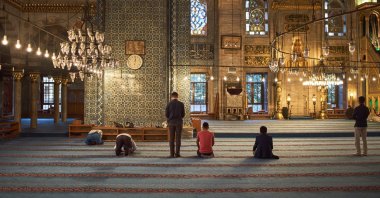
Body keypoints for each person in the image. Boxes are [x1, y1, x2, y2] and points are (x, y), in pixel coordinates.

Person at [165, 92, 185, 158]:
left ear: (171, 97)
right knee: (178, 138)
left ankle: (171, 154)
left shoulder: (169, 104)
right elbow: (183, 114)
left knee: (171, 138)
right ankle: (177, 154)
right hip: (179, 122)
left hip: (171, 123)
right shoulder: (181, 104)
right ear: (177, 96)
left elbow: (166, 115)